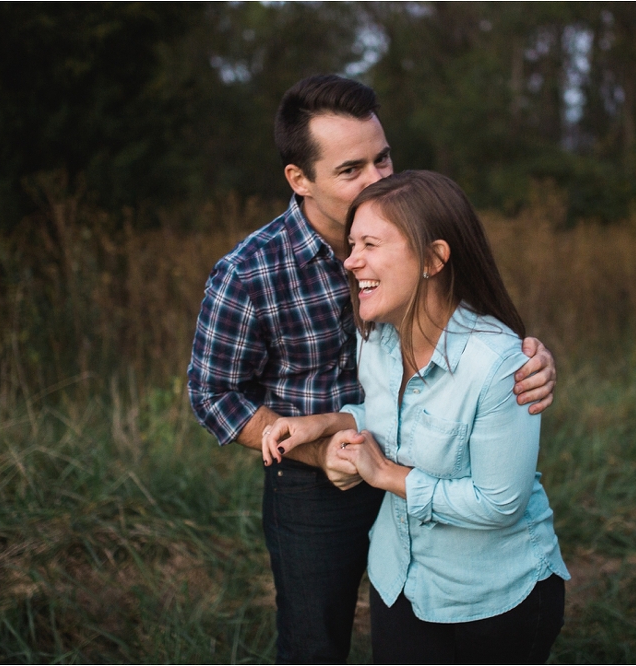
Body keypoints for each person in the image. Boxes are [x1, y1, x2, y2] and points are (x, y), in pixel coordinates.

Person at [187, 75, 558, 664]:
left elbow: (471, 321)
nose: (379, 179)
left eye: (383, 157)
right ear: (299, 179)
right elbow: (212, 394)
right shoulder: (248, 273)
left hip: (426, 456)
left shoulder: (416, 224)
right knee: (316, 642)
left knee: (421, 616)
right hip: (314, 481)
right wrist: (316, 447)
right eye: (351, 170)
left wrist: (530, 358)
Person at [262, 171, 569, 664]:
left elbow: (499, 504)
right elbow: (395, 418)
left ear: (433, 258)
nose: (350, 260)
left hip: (493, 598)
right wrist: (325, 423)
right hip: (399, 577)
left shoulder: (497, 365)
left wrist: (387, 475)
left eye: (369, 244)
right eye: (351, 243)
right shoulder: (376, 338)